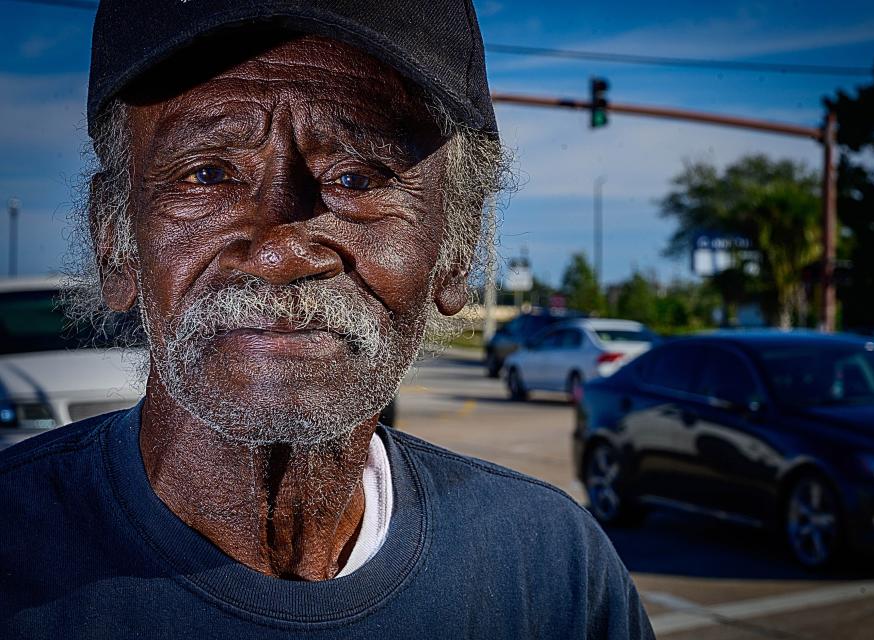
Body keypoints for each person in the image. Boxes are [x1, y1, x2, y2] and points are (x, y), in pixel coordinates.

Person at [0, 1, 654, 638]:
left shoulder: (550, 570)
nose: (281, 251)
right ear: (114, 240)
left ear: (457, 249)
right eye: (208, 173)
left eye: (357, 179)